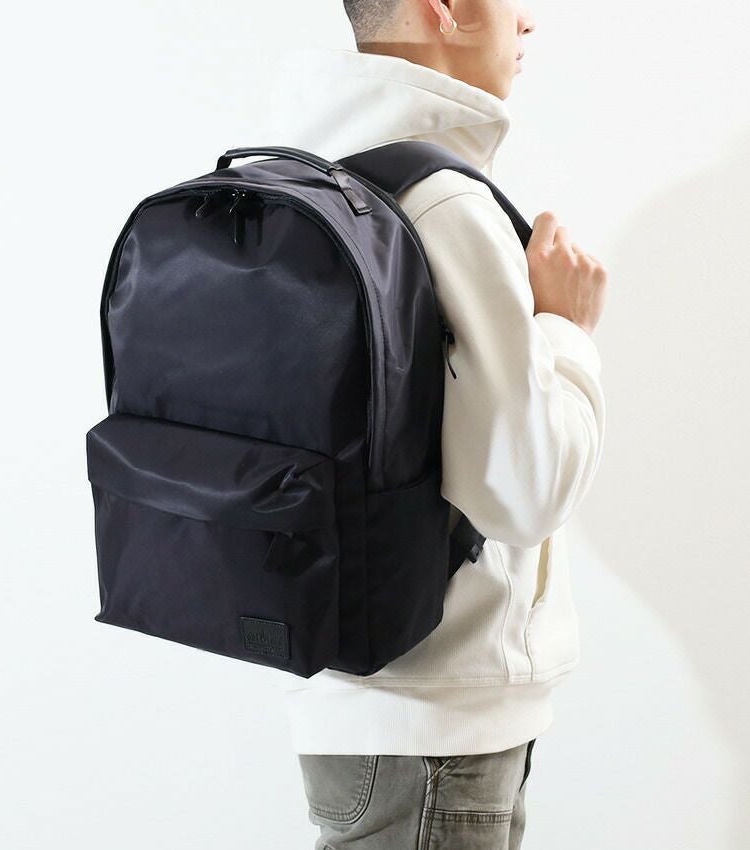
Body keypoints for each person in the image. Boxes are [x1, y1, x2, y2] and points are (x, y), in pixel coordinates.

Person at [261, 1, 608, 847]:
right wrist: (565, 327)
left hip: (353, 697)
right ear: (443, 10)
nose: (528, 22)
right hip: (439, 729)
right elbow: (527, 491)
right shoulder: (442, 202)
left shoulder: (307, 167)